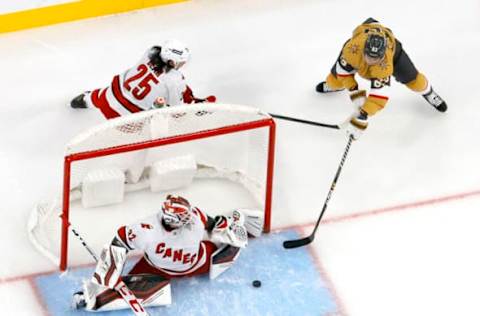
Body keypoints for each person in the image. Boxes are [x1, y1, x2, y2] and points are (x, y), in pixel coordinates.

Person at [72, 195, 263, 312]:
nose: (190, 219)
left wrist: (109, 273)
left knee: (129, 283)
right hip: (182, 266)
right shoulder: (148, 228)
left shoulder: (191, 217)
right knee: (128, 282)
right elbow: (119, 243)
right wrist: (108, 274)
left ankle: (94, 295)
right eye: (184, 218)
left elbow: (119, 243)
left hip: (179, 266)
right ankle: (89, 296)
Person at [315, 18, 447, 140]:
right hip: (360, 45)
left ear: (382, 55)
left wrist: (363, 115)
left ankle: (428, 93)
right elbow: (343, 72)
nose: (371, 61)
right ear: (364, 49)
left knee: (415, 80)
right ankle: (333, 85)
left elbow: (379, 98)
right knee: (335, 79)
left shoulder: (385, 64)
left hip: (394, 52)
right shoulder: (352, 49)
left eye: (375, 58)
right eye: (369, 56)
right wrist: (354, 90)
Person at [70, 39, 216, 119]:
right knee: (142, 130)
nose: (182, 65)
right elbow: (177, 111)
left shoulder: (151, 51)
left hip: (110, 95)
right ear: (171, 61)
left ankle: (84, 100)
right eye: (180, 62)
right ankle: (197, 104)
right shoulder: (175, 80)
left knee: (100, 96)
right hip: (128, 117)